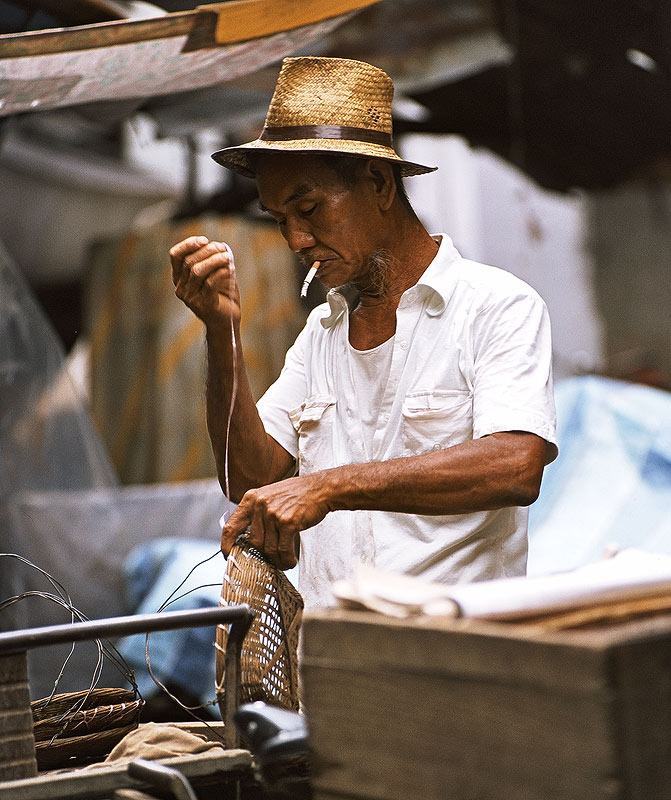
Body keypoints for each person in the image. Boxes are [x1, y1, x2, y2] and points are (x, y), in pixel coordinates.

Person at [170, 56, 558, 609]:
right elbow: (248, 476)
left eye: (308, 208)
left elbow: (515, 464)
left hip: (456, 665)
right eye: (280, 219)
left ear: (378, 183)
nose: (297, 239)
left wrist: (328, 485)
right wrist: (220, 329)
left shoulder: (497, 306)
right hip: (334, 668)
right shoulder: (321, 335)